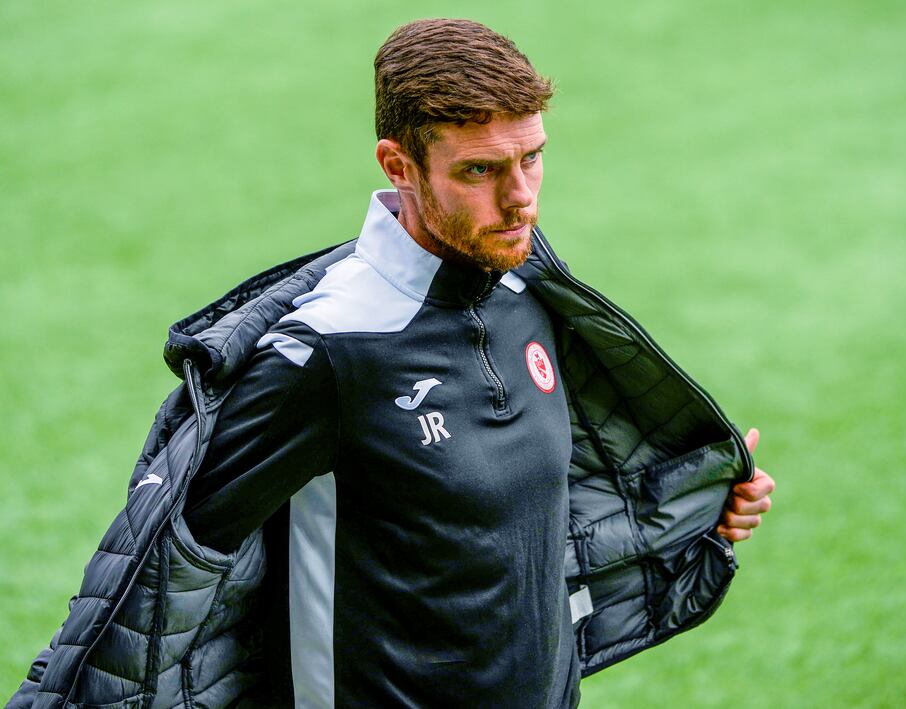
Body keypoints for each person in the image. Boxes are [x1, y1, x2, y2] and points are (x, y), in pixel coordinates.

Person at [8, 18, 774, 709]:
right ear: (398, 165)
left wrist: (700, 519)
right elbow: (164, 572)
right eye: (480, 171)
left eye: (532, 159)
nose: (521, 200)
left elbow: (530, 518)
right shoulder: (330, 353)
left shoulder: (529, 295)